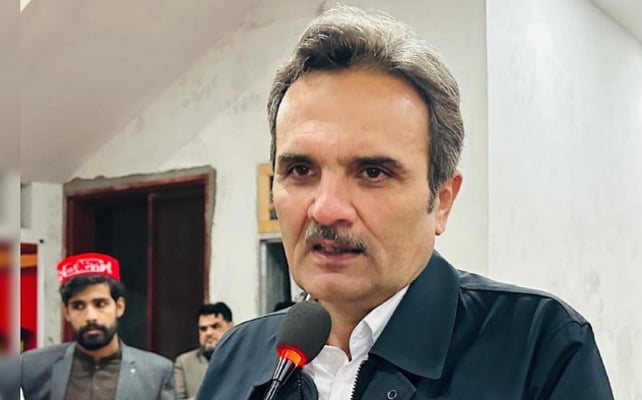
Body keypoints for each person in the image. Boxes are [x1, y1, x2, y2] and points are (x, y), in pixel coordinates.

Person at [198, 5, 614, 400]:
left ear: (442, 201)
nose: (326, 209)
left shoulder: (538, 348)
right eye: (301, 170)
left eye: (372, 173)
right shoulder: (238, 357)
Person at [20, 252, 175, 400]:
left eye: (100, 304)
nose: (90, 317)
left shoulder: (155, 373)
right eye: (78, 306)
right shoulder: (34, 366)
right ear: (66, 312)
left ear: (119, 307)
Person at [173, 302, 234, 399]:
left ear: (231, 327)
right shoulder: (184, 362)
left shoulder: (244, 358)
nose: (208, 333)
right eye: (203, 329)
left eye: (215, 326)